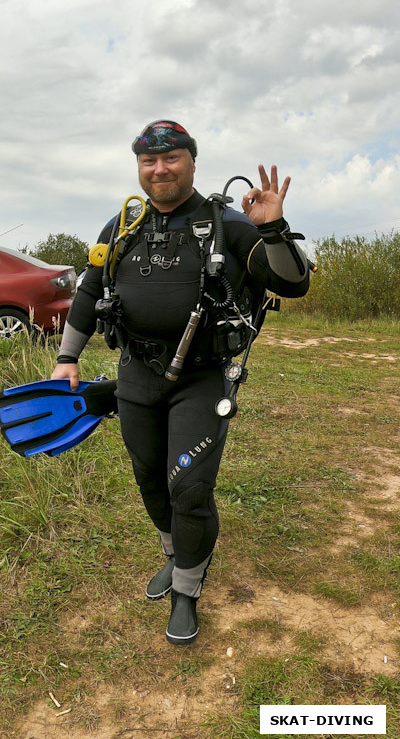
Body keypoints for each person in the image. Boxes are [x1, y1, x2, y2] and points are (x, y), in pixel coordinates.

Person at [51, 120, 310, 645]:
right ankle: (174, 555)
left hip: (202, 377)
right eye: (149, 161)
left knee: (188, 488)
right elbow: (88, 291)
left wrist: (273, 230)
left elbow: (292, 282)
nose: (160, 168)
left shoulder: (228, 223)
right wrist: (66, 357)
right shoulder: (122, 226)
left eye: (171, 158)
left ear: (192, 162)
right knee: (149, 478)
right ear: (139, 168)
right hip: (136, 375)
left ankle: (186, 591)